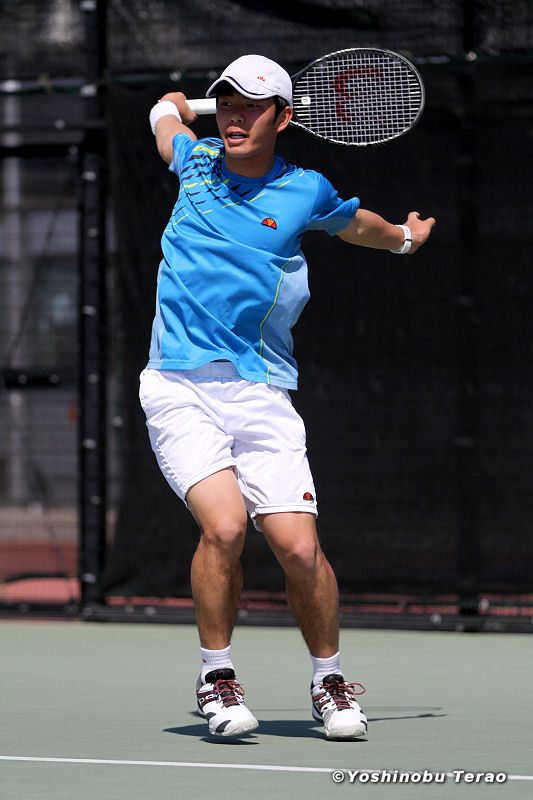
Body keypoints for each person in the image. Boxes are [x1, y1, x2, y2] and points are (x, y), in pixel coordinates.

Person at [141, 54, 435, 740]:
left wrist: (403, 240)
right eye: (227, 103)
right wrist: (170, 107)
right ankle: (217, 678)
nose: (235, 116)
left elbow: (355, 223)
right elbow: (165, 121)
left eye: (252, 106)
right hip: (178, 384)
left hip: (262, 390)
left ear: (283, 117)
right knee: (224, 528)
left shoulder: (304, 190)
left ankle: (329, 682)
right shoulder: (194, 162)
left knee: (298, 549)